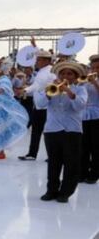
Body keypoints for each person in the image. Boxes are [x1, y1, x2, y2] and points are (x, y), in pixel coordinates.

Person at [34, 61, 88, 203]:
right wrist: (48, 94)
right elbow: (39, 104)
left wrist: (69, 92)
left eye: (69, 74)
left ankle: (65, 192)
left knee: (71, 163)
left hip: (72, 130)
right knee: (53, 162)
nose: (65, 76)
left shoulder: (80, 89)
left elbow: (79, 106)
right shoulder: (50, 88)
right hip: (52, 130)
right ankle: (51, 190)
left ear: (75, 76)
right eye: (63, 73)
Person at [19, 50, 55, 161]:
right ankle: (32, 153)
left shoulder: (50, 72)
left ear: (46, 60)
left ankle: (52, 155)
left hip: (47, 106)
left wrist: (26, 90)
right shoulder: (41, 71)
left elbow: (41, 86)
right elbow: (35, 85)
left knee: (49, 132)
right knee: (36, 131)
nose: (36, 61)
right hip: (38, 105)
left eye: (39, 59)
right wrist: (26, 90)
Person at [80, 54, 99, 184]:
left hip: (97, 114)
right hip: (84, 114)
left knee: (96, 146)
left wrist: (95, 83)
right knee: (83, 146)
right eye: (92, 67)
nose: (94, 70)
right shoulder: (86, 79)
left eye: (97, 67)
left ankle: (94, 174)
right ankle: (82, 173)